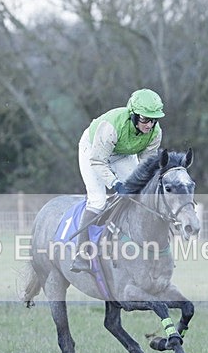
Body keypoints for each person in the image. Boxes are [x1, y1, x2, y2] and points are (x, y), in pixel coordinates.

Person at [71, 88, 165, 273]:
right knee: (98, 200)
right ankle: (81, 253)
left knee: (138, 193)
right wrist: (115, 183)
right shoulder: (111, 127)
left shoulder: (155, 133)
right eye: (145, 119)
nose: (149, 125)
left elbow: (146, 165)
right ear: (133, 115)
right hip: (93, 150)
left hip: (122, 153)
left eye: (154, 120)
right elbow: (98, 161)